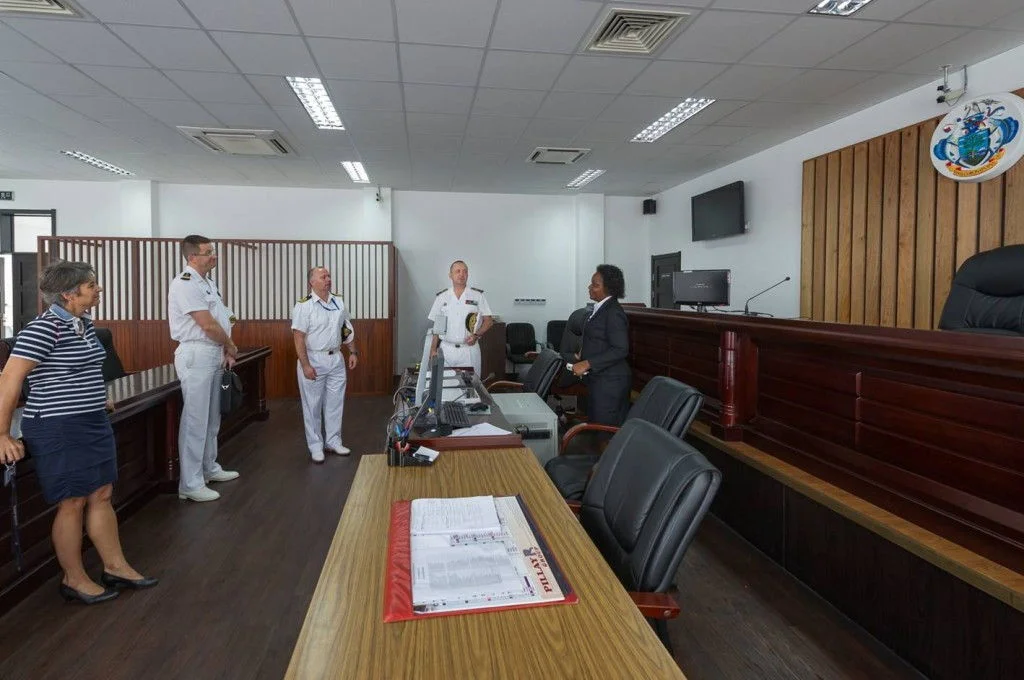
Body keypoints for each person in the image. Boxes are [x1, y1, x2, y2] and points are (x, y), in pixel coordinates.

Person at [0, 261, 157, 604]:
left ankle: (116, 566)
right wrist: (2, 435)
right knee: (71, 501)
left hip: (90, 421)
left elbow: (83, 371)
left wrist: (98, 398)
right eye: (91, 285)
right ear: (69, 294)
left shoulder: (84, 324)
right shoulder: (43, 329)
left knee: (101, 493)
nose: (98, 289)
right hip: (57, 425)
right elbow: (9, 379)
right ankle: (74, 578)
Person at [167, 235, 239, 503]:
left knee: (211, 418)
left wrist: (226, 346)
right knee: (196, 419)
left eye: (213, 251)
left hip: (213, 351)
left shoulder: (207, 283)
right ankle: (190, 483)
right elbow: (207, 325)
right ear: (191, 257)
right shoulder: (185, 283)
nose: (213, 256)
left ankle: (209, 467)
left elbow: (223, 316)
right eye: (208, 252)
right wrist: (230, 344)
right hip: (196, 353)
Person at [292, 267, 359, 463]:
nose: (328, 279)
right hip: (313, 358)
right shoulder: (304, 306)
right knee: (312, 405)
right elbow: (298, 337)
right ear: (311, 282)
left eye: (329, 276)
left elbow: (346, 328)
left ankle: (333, 441)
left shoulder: (338, 301)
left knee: (335, 402)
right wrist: (305, 365)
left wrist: (352, 351)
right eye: (323, 277)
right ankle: (315, 445)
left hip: (336, 358)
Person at [569, 264, 631, 426]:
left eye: (595, 285)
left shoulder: (613, 312)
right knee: (598, 428)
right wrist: (582, 354)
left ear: (609, 288)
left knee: (605, 432)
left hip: (611, 383)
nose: (590, 287)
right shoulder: (600, 309)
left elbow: (621, 348)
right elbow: (597, 337)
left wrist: (587, 363)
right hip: (600, 379)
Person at [427, 260, 493, 376]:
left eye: (465, 272)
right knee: (445, 387)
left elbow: (488, 321)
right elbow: (437, 326)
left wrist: (477, 335)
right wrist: (433, 349)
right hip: (447, 350)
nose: (462, 274)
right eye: (458, 271)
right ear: (450, 275)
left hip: (469, 350)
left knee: (471, 388)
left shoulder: (477, 296)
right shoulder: (442, 297)